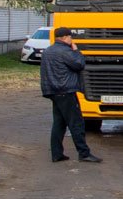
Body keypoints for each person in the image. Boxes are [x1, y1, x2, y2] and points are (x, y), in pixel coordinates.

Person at [40, 27, 102, 164]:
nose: (71, 39)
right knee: (77, 123)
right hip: (66, 91)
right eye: (70, 37)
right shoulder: (66, 51)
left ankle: (56, 154)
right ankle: (84, 153)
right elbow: (79, 64)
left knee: (59, 123)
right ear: (66, 37)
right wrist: (76, 50)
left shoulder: (48, 51)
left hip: (53, 91)